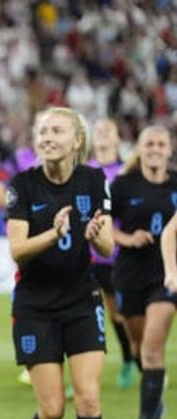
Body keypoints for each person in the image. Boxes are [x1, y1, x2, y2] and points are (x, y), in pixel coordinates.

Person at [6, 107, 114, 419]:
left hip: (82, 300)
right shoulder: (22, 184)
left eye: (57, 131)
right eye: (43, 131)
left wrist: (94, 235)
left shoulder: (94, 180)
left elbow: (106, 247)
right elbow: (16, 250)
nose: (47, 137)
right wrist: (55, 233)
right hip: (34, 305)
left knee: (88, 397)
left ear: (76, 141)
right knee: (52, 409)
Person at [110, 125, 177, 419]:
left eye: (160, 144)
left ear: (169, 149)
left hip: (166, 276)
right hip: (129, 275)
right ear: (139, 148)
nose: (155, 149)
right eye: (149, 143)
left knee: (152, 347)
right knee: (137, 347)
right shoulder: (122, 184)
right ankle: (153, 391)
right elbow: (106, 225)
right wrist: (128, 238)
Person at [88, 118, 138, 389]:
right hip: (85, 255)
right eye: (98, 130)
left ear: (118, 138)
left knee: (118, 313)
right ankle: (82, 373)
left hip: (115, 255)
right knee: (81, 312)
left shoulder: (125, 172)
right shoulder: (84, 171)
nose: (103, 133)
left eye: (109, 129)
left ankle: (131, 359)